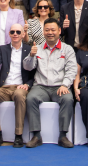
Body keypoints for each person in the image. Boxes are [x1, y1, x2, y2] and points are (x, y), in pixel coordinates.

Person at [23, 18, 76, 148]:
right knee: (31, 98)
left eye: (53, 30)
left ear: (59, 31)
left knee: (68, 99)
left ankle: (63, 136)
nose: (50, 32)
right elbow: (28, 67)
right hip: (41, 86)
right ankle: (36, 136)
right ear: (43, 31)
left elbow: (72, 69)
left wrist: (65, 84)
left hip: (59, 86)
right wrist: (31, 55)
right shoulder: (37, 48)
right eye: (47, 30)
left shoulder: (67, 49)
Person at [0, 22, 33, 147]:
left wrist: (27, 85)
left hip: (20, 86)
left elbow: (34, 73)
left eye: (18, 32)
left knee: (19, 95)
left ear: (23, 34)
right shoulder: (3, 48)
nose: (15, 34)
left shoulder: (29, 50)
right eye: (12, 32)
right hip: (4, 86)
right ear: (9, 34)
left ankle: (18, 135)